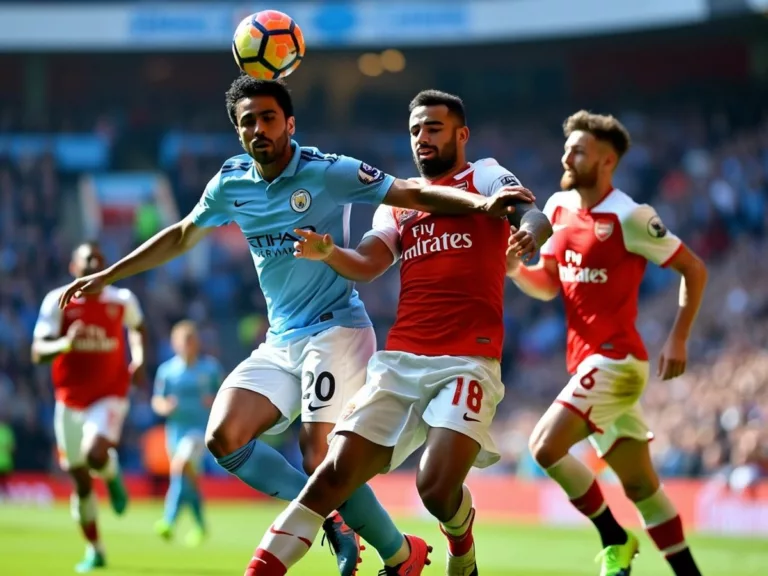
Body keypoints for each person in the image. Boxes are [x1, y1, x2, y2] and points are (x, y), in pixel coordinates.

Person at [57, 76, 530, 576]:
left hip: (337, 329)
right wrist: (109, 274)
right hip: (281, 338)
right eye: (247, 122)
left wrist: (483, 207)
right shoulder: (230, 183)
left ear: (290, 123)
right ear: (238, 132)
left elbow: (411, 192)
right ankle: (379, 543)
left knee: (318, 452)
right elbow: (180, 235)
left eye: (268, 118)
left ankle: (352, 533)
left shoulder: (329, 171)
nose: (258, 129)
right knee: (225, 437)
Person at [244, 89, 552, 576]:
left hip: (468, 361)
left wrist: (532, 233)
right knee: (332, 477)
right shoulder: (397, 202)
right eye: (415, 131)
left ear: (461, 134)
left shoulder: (485, 175)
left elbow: (531, 214)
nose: (422, 138)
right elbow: (367, 263)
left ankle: (461, 542)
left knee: (434, 488)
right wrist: (329, 254)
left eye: (433, 128)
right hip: (400, 360)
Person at [507, 111, 707, 576]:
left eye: (578, 150)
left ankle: (614, 539)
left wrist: (678, 337)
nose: (567, 156)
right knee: (641, 488)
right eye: (566, 148)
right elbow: (549, 284)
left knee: (543, 447)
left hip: (617, 360)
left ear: (607, 160)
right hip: (586, 367)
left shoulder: (631, 216)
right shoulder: (557, 209)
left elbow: (694, 268)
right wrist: (515, 269)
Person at [32, 241, 146, 573]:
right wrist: (65, 343)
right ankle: (95, 549)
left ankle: (108, 470)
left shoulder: (122, 300)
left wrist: (138, 358)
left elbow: (138, 328)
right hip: (68, 400)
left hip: (109, 393)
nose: (94, 264)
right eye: (87, 260)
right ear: (73, 268)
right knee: (80, 481)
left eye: (99, 259)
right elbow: (37, 351)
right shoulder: (58, 301)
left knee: (95, 452)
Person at [152, 320, 223, 546]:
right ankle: (201, 525)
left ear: (197, 343)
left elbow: (226, 396)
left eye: (191, 341)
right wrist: (165, 407)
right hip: (175, 430)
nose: (188, 346)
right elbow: (157, 401)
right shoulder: (167, 371)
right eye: (183, 342)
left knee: (180, 466)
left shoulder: (210, 369)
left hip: (200, 432)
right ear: (175, 344)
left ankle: (168, 520)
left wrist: (214, 401)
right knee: (188, 478)